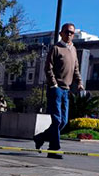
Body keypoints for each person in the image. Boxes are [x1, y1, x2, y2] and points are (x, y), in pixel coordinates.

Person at [33, 23, 84, 159]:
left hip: (66, 90)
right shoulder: (56, 48)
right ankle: (53, 149)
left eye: (72, 33)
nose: (69, 35)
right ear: (61, 33)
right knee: (56, 120)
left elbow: (76, 69)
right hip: (55, 89)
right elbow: (48, 68)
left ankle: (40, 137)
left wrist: (79, 82)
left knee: (63, 121)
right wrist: (54, 84)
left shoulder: (73, 49)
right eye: (67, 32)